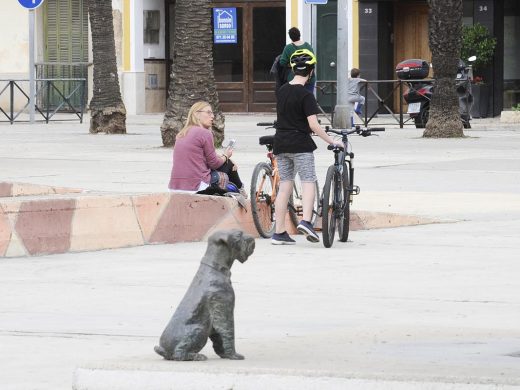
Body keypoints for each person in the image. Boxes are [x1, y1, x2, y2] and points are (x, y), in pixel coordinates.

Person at [272, 49, 341, 245]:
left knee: (285, 184)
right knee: (308, 180)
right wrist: (332, 141)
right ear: (311, 72)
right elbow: (313, 125)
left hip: (281, 142)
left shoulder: (282, 90)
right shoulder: (306, 95)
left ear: (294, 69)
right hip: (300, 144)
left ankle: (279, 232)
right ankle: (306, 221)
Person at [168, 101, 247, 198]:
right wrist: (226, 156)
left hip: (175, 186)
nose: (212, 116)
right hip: (196, 186)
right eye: (208, 112)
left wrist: (224, 157)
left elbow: (202, 156)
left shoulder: (182, 133)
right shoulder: (205, 133)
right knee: (228, 164)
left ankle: (239, 190)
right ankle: (241, 190)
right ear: (197, 114)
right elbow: (214, 163)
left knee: (227, 162)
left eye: (212, 113)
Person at [279, 27, 316, 94]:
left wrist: (292, 64)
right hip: (308, 78)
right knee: (308, 98)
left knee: (295, 100)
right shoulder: (307, 45)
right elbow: (313, 60)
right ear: (299, 35)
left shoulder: (288, 48)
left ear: (290, 37)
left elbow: (282, 62)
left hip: (294, 78)